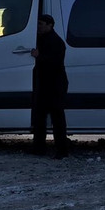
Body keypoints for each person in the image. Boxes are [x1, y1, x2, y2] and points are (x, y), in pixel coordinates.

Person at [30, 14, 69, 158]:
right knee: (40, 118)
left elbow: (55, 61)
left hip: (55, 85)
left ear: (50, 25)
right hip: (44, 84)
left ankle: (62, 150)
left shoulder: (56, 41)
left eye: (41, 24)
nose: (38, 27)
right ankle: (39, 148)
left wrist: (38, 56)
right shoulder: (41, 39)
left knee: (57, 118)